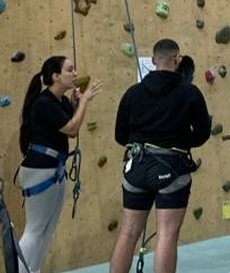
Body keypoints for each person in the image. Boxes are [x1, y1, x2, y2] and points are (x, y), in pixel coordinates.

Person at [110, 39, 211, 273]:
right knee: (166, 234)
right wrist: (181, 141)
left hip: (136, 167)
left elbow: (120, 135)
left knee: (128, 232)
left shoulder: (133, 93)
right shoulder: (190, 93)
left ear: (154, 60)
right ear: (178, 59)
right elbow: (202, 134)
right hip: (171, 167)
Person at [17, 56, 101, 272]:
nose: (75, 73)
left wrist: (74, 105)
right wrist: (83, 102)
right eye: (70, 70)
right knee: (35, 228)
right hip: (40, 170)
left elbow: (69, 129)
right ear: (56, 76)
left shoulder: (60, 101)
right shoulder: (44, 103)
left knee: (48, 228)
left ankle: (33, 270)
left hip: (54, 168)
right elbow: (72, 129)